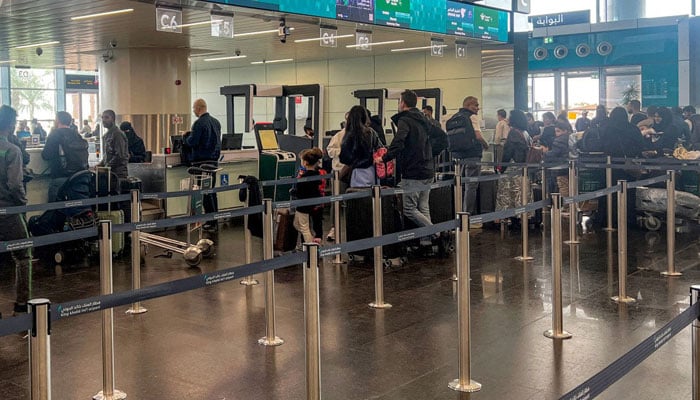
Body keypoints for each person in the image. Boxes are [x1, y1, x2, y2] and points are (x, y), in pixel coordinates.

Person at [376, 90, 434, 241]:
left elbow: (399, 141)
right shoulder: (425, 120)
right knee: (423, 207)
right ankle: (426, 241)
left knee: (409, 209)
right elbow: (440, 138)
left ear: (402, 103)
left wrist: (385, 157)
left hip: (413, 170)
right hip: (427, 168)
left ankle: (436, 233)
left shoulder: (405, 120)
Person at [0, 105, 32, 316]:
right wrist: (23, 203)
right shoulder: (12, 150)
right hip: (8, 211)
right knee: (24, 254)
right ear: (12, 125)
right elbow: (14, 184)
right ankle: (22, 303)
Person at [446, 96, 489, 221]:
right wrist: (485, 145)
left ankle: (457, 213)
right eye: (476, 105)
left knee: (460, 185)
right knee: (471, 185)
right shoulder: (472, 117)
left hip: (457, 157)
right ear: (469, 105)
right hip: (472, 155)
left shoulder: (453, 117)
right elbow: (478, 136)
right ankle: (467, 216)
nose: (478, 108)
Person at [186, 99, 222, 231]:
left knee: (205, 192)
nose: (194, 111)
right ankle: (215, 219)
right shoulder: (216, 122)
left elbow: (193, 142)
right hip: (213, 162)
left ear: (198, 108)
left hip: (201, 163)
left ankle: (210, 222)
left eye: (194, 108)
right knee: (211, 192)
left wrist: (186, 137)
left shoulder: (198, 123)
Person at [42, 111, 89, 201]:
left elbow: (46, 155)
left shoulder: (54, 134)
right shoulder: (77, 134)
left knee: (55, 208)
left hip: (60, 177)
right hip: (79, 176)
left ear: (57, 120)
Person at [496, 110, 531, 227]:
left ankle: (513, 218)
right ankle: (524, 217)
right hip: (524, 168)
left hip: (513, 168)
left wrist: (502, 167)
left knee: (510, 193)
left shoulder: (513, 133)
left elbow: (508, 152)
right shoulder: (525, 132)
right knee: (522, 193)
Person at [340, 106, 380, 188]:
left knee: (358, 198)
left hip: (357, 173)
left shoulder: (350, 135)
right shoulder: (371, 132)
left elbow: (345, 158)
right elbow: (380, 148)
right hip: (373, 171)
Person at [293, 148, 324, 245]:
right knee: (298, 224)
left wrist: (293, 192)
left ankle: (310, 246)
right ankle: (313, 243)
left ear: (305, 162)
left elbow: (299, 191)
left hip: (303, 206)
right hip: (315, 203)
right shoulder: (318, 174)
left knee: (303, 227)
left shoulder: (303, 177)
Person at [324, 114, 348, 241]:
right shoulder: (338, 136)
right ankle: (334, 228)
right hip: (340, 171)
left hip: (356, 173)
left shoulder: (363, 134)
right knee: (336, 201)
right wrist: (342, 151)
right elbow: (330, 150)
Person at [543, 120, 573, 196]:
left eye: (558, 131)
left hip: (559, 168)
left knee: (562, 188)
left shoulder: (559, 140)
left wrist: (544, 152)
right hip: (569, 168)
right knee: (569, 188)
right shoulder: (571, 138)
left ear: (565, 131)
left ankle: (563, 206)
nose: (556, 134)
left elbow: (554, 153)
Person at [98, 109, 129, 179]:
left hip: (118, 174)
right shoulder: (107, 135)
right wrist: (101, 164)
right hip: (110, 172)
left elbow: (119, 155)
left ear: (113, 119)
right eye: (102, 117)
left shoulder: (117, 134)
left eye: (106, 117)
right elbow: (108, 154)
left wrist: (107, 167)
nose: (103, 120)